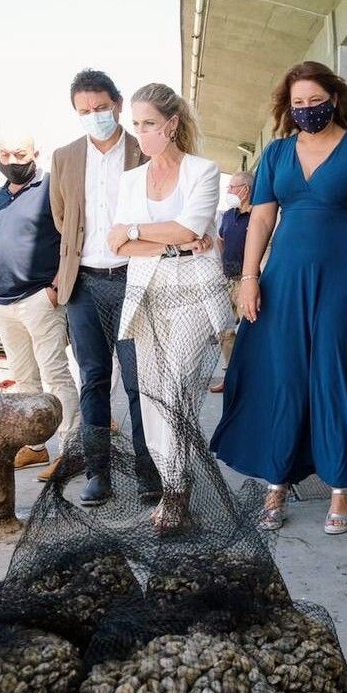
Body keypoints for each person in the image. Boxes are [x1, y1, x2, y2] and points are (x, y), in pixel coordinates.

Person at [209, 62, 347, 535]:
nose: (307, 111)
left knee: (338, 374)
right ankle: (276, 480)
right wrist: (249, 277)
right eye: (298, 104)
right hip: (285, 278)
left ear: (334, 99)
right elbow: (260, 220)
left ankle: (341, 486)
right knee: (283, 375)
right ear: (287, 108)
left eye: (315, 102)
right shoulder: (275, 154)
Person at [108, 83, 230, 533]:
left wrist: (140, 230)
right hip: (147, 291)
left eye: (150, 124)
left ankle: (176, 492)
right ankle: (173, 485)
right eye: (136, 125)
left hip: (194, 291)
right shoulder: (129, 180)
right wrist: (173, 238)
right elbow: (117, 244)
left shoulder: (203, 170)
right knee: (154, 395)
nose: (141, 134)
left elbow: (188, 227)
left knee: (177, 386)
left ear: (172, 124)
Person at [47, 69, 163, 505]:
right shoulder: (64, 157)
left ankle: (148, 469)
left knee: (138, 381)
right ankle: (99, 473)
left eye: (100, 108)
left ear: (117, 103)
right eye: (84, 111)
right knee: (92, 379)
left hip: (135, 279)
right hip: (85, 285)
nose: (94, 116)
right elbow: (62, 218)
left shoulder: (144, 150)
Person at [0, 131, 81, 469]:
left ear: (35, 154)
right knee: (24, 378)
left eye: (19, 154)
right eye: (4, 154)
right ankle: (35, 445)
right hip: (1, 302)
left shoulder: (51, 187)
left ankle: (70, 451)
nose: (11, 162)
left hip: (39, 298)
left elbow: (73, 235)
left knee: (56, 375)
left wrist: (56, 287)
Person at [211, 170, 254, 392]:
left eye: (232, 187)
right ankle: (230, 377)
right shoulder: (228, 215)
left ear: (245, 190)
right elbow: (220, 240)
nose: (228, 191)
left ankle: (250, 379)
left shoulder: (258, 216)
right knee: (224, 331)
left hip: (247, 281)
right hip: (227, 280)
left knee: (249, 332)